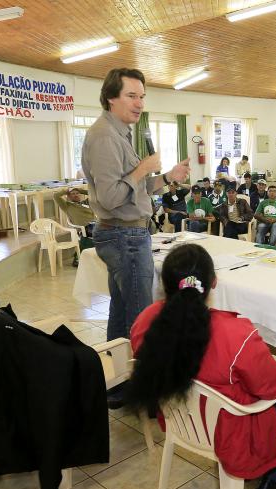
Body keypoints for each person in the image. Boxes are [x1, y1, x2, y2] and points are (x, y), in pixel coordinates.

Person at [126, 243, 276, 489]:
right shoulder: (236, 334)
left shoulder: (145, 320)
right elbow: (273, 387)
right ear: (213, 283)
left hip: (181, 421)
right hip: (232, 433)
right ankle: (273, 476)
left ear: (164, 284)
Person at [81, 67, 190, 343]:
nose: (140, 103)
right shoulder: (105, 136)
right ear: (110, 98)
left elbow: (135, 190)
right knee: (140, 320)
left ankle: (117, 381)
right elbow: (110, 197)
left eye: (141, 96)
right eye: (131, 96)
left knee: (121, 314)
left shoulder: (120, 133)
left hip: (127, 234)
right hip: (123, 236)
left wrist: (167, 177)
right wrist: (142, 168)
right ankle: (140, 381)